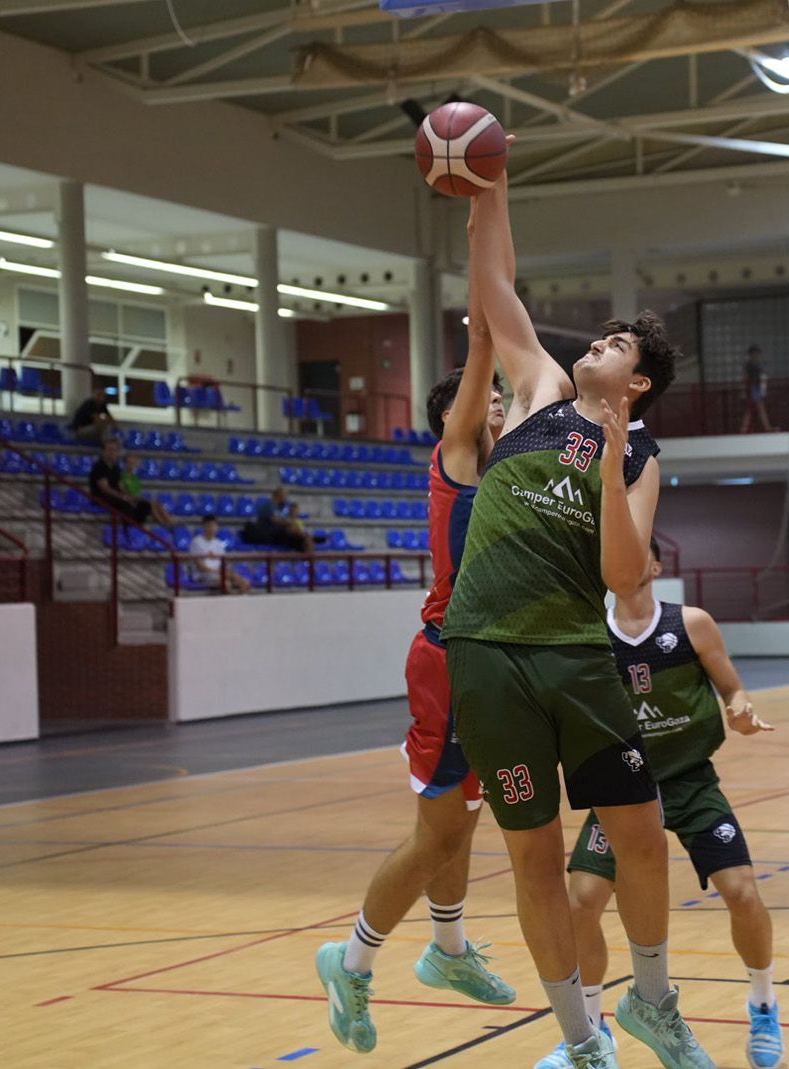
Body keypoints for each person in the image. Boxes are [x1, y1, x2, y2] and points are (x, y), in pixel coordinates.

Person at [440, 151, 707, 1069]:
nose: (596, 342)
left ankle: (656, 1001)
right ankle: (582, 1040)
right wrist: (491, 182)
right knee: (532, 855)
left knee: (640, 832)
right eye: (597, 337)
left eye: (616, 345)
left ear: (635, 383)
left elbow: (626, 579)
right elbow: (493, 285)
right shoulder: (541, 391)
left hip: (574, 653)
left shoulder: (638, 459)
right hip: (484, 646)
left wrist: (610, 457)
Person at [316, 269, 514, 1054]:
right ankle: (352, 960)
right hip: (447, 660)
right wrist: (485, 321)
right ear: (451, 417)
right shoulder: (457, 453)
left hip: (485, 661)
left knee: (462, 820)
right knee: (437, 834)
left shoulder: (501, 466)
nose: (495, 400)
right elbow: (479, 377)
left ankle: (450, 948)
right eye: (484, 394)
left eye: (500, 394)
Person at [536, 538, 783, 1069]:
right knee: (581, 902)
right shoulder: (591, 636)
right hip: (623, 787)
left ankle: (763, 1004)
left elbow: (733, 692)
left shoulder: (692, 623)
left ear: (653, 564)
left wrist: (740, 712)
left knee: (741, 892)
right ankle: (591, 1028)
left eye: (630, 552)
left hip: (689, 779)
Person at [88, 439, 157, 528]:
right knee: (126, 504)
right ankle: (127, 530)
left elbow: (121, 485)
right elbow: (105, 488)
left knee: (144, 504)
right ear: (104, 451)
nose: (113, 452)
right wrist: (123, 497)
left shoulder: (116, 467)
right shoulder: (99, 466)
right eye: (110, 449)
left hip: (115, 495)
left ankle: (137, 528)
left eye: (115, 450)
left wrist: (129, 496)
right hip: (101, 497)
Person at [190, 515, 250, 595]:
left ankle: (239, 604)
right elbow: (201, 567)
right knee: (226, 584)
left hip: (218, 573)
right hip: (204, 575)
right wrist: (219, 572)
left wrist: (227, 572)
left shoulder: (217, 542)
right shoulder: (197, 542)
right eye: (209, 526)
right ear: (204, 527)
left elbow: (223, 563)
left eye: (214, 526)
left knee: (245, 582)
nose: (212, 528)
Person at [242, 488, 310, 551]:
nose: (286, 498)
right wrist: (289, 523)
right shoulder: (268, 506)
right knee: (292, 529)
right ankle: (303, 538)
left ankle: (304, 540)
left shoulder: (279, 508)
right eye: (285, 495)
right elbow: (274, 520)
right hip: (268, 533)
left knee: (299, 537)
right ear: (279, 495)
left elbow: (284, 521)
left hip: (278, 534)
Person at [119, 454, 174, 525]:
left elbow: (138, 491)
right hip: (129, 500)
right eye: (130, 462)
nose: (132, 465)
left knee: (158, 504)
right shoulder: (122, 476)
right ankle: (163, 524)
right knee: (151, 505)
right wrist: (132, 497)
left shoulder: (135, 477)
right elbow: (123, 491)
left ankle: (169, 522)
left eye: (133, 463)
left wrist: (138, 497)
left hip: (137, 498)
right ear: (125, 464)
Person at [738, 344, 774, 434]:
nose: (756, 356)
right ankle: (765, 426)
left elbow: (763, 378)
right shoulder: (749, 365)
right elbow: (744, 377)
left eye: (757, 354)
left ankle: (745, 428)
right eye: (754, 354)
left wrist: (763, 389)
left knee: (754, 408)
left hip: (755, 387)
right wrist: (743, 390)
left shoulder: (758, 365)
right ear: (750, 355)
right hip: (752, 387)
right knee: (754, 408)